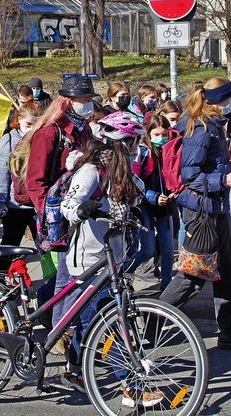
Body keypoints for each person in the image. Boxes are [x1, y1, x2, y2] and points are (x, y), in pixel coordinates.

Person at [59, 112, 165, 408]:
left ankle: (74, 369)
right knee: (110, 321)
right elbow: (68, 205)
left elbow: (139, 194)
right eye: (132, 143)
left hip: (114, 255)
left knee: (91, 317)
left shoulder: (122, 171)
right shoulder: (92, 171)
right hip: (90, 255)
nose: (136, 148)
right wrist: (83, 209)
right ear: (120, 143)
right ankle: (131, 386)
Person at [159, 77, 231, 352]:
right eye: (229, 99)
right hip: (200, 211)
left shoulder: (214, 126)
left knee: (227, 270)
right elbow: (190, 175)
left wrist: (229, 169)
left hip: (216, 208)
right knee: (192, 276)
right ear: (217, 101)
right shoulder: (201, 129)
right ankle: (149, 326)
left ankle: (229, 331)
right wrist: (223, 181)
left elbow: (211, 165)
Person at [17, 75, 96, 325]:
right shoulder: (49, 133)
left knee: (71, 272)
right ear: (69, 101)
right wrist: (51, 216)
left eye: (90, 100)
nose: (88, 105)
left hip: (78, 209)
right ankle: (60, 330)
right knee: (66, 275)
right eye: (84, 100)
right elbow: (35, 181)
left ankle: (49, 307)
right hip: (58, 213)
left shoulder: (85, 129)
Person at [0, 102, 44, 271]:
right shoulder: (9, 140)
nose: (32, 128)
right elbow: (0, 172)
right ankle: (0, 278)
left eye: (36, 124)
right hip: (15, 204)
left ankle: (51, 285)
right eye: (29, 124)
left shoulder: (43, 139)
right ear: (19, 119)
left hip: (37, 203)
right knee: (10, 242)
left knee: (46, 246)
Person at [132, 114, 175, 291]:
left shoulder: (169, 150)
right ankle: (123, 272)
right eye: (156, 134)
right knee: (148, 249)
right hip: (145, 206)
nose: (161, 138)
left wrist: (174, 191)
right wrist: (152, 196)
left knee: (168, 248)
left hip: (165, 205)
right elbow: (135, 181)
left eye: (164, 134)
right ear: (148, 134)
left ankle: (167, 286)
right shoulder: (142, 153)